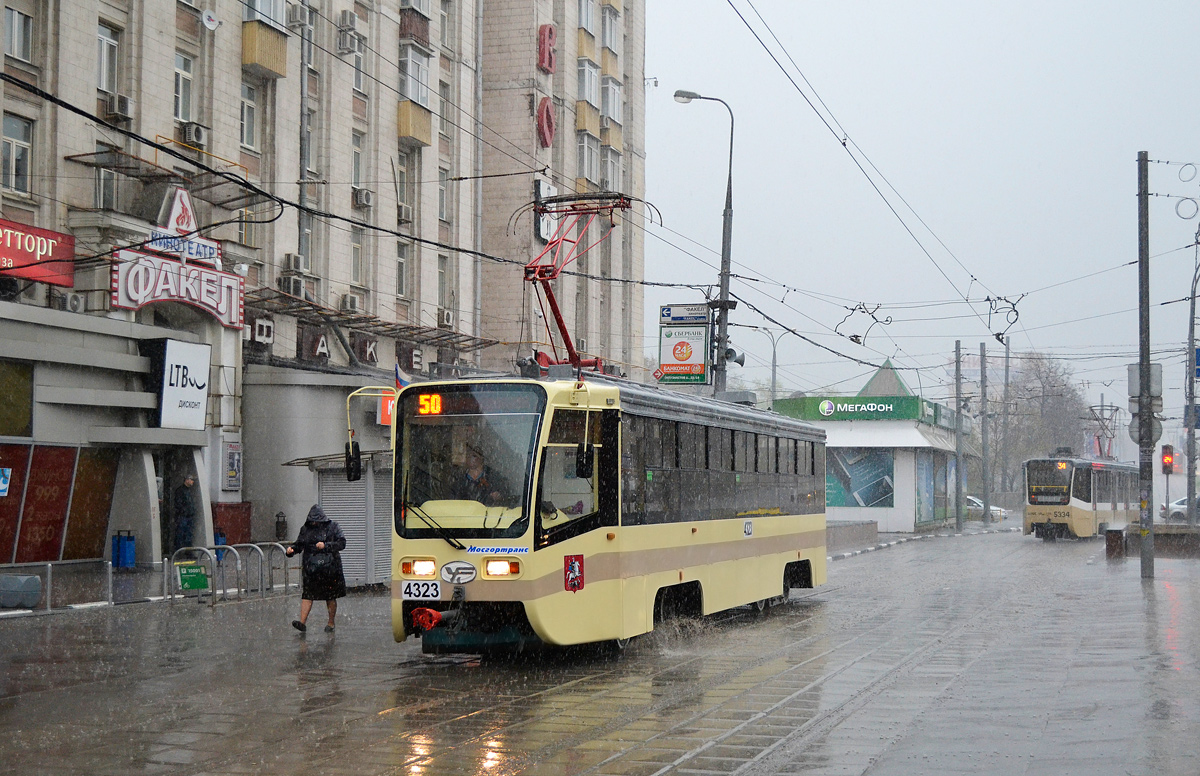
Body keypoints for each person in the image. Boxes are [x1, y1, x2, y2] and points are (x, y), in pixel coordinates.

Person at [285, 504, 347, 634]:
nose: (314, 523)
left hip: (329, 568)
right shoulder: (306, 529)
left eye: (316, 521)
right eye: (312, 521)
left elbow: (342, 543)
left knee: (330, 596)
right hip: (311, 569)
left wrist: (326, 546)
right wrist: (292, 550)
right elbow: (299, 544)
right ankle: (302, 622)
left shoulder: (333, 527)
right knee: (308, 595)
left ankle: (331, 622)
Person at [172, 474, 197, 552]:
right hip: (183, 516)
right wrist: (184, 511)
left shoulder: (187, 490)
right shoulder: (180, 491)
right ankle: (178, 551)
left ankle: (187, 552)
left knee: (188, 535)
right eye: (191, 480)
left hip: (187, 516)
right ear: (187, 480)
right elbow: (178, 504)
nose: (193, 482)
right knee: (181, 534)